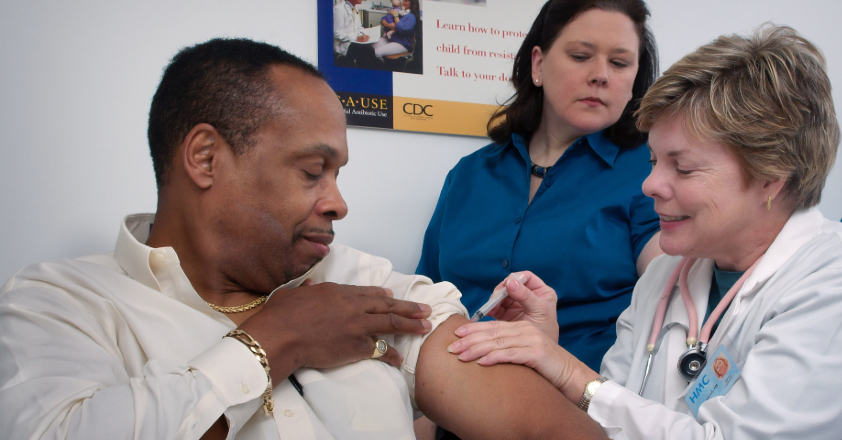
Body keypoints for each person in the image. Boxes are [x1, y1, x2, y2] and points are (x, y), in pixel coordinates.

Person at [0, 38, 609, 440]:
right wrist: (275, 341)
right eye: (312, 171)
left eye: (338, 173)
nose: (338, 202)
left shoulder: (364, 285)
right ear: (206, 157)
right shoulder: (61, 306)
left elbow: (542, 429)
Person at [448, 25, 842, 439]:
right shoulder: (667, 277)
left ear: (771, 177)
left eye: (683, 167)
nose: (650, 184)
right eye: (656, 160)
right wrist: (548, 358)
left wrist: (569, 372)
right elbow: (611, 417)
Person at [417, 0, 663, 373]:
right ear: (538, 64)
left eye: (619, 63)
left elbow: (674, 286)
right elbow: (427, 300)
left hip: (580, 408)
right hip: (456, 402)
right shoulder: (469, 175)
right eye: (581, 56)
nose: (600, 75)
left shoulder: (652, 171)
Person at [333, 0, 375, 68]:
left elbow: (359, 27)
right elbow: (337, 33)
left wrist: (364, 34)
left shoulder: (354, 9)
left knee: (372, 47)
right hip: (342, 45)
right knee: (368, 50)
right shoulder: (339, 9)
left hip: (354, 41)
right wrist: (356, 38)